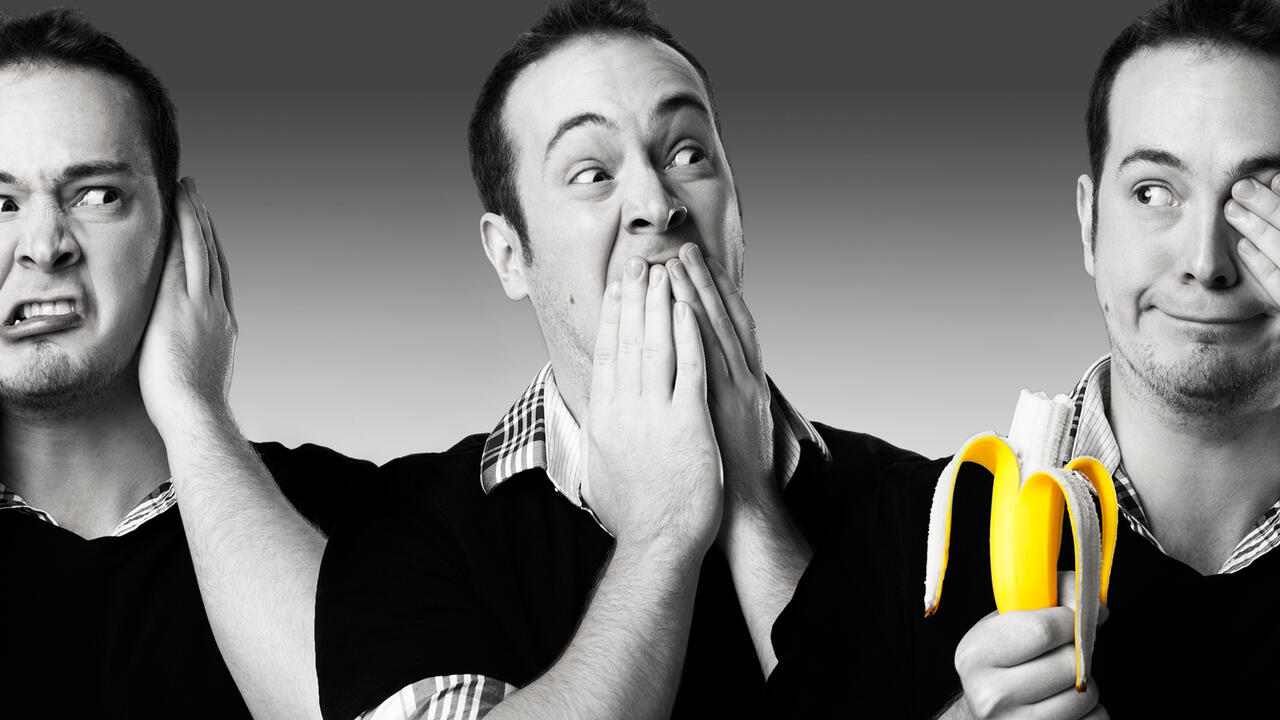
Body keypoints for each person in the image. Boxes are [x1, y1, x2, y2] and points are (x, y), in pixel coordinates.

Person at [312, 1, 872, 717]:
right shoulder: (405, 528)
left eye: (687, 153)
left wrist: (753, 510)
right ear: (510, 255)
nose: (656, 202)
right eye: (591, 173)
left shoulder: (922, 504)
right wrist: (660, 539)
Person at [765, 0, 1280, 717]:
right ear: (1088, 222)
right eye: (1153, 192)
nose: (1206, 262)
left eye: (1262, 200)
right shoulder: (900, 542)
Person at [0, 10, 375, 719]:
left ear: (180, 229)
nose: (44, 245)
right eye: (0, 202)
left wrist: (192, 406)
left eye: (96, 194)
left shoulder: (355, 514)